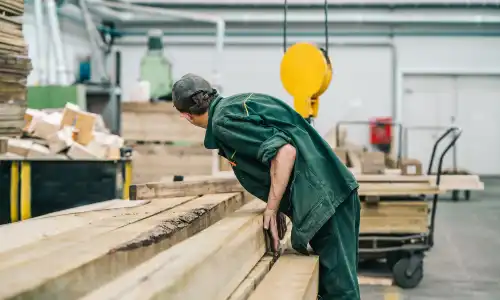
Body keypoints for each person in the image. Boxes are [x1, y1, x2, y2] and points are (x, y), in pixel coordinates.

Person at [172, 73, 361, 300]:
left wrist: (271, 207)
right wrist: (279, 203)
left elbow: (284, 152)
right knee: (335, 287)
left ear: (186, 116)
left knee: (340, 293)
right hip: (329, 196)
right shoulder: (235, 105)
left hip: (326, 201)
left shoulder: (223, 122)